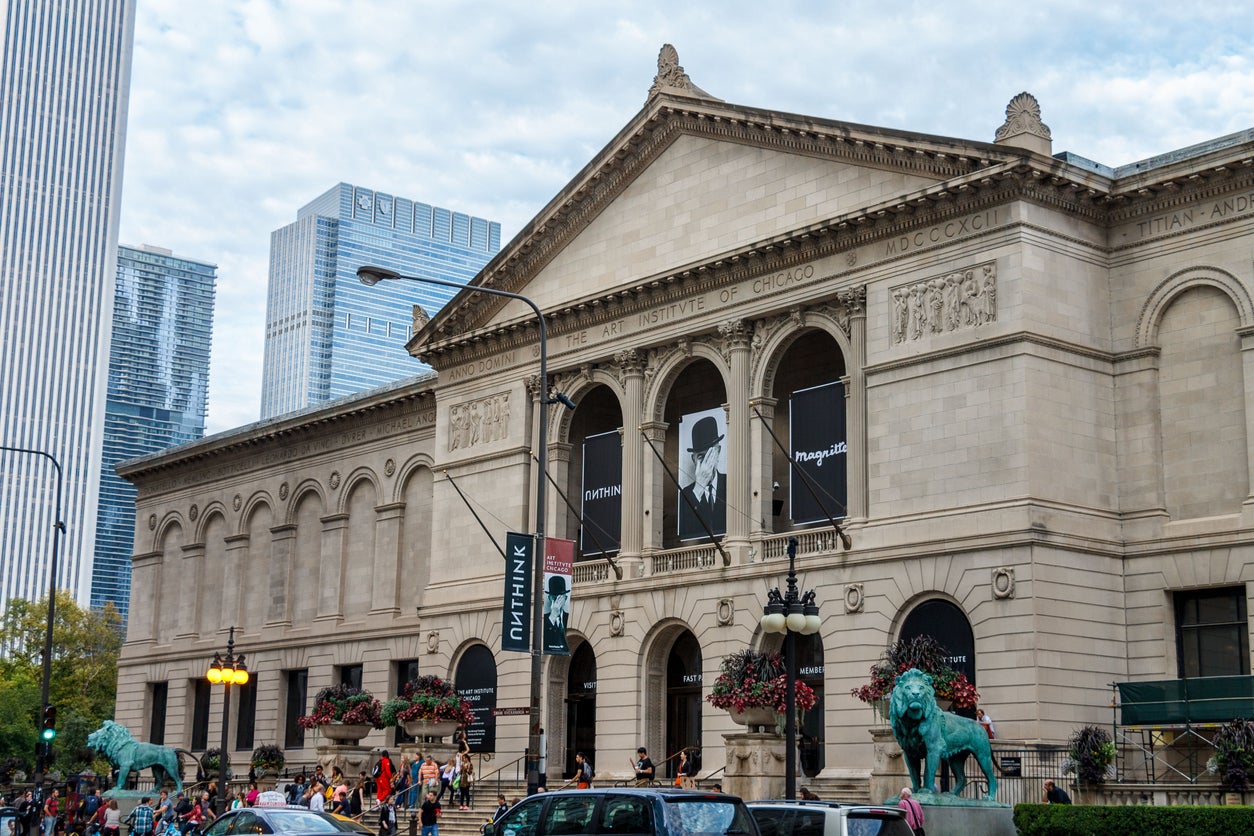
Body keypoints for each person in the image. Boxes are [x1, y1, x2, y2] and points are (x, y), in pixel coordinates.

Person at [678, 415, 727, 540]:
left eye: (710, 455)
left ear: (718, 451)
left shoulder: (731, 484)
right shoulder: (685, 495)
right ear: (693, 459)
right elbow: (686, 530)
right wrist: (699, 488)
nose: (706, 463)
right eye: (701, 457)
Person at [542, 574, 570, 653]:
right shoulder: (545, 619)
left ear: (565, 598)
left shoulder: (568, 616)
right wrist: (553, 616)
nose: (557, 602)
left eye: (560, 597)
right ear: (549, 598)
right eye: (554, 597)